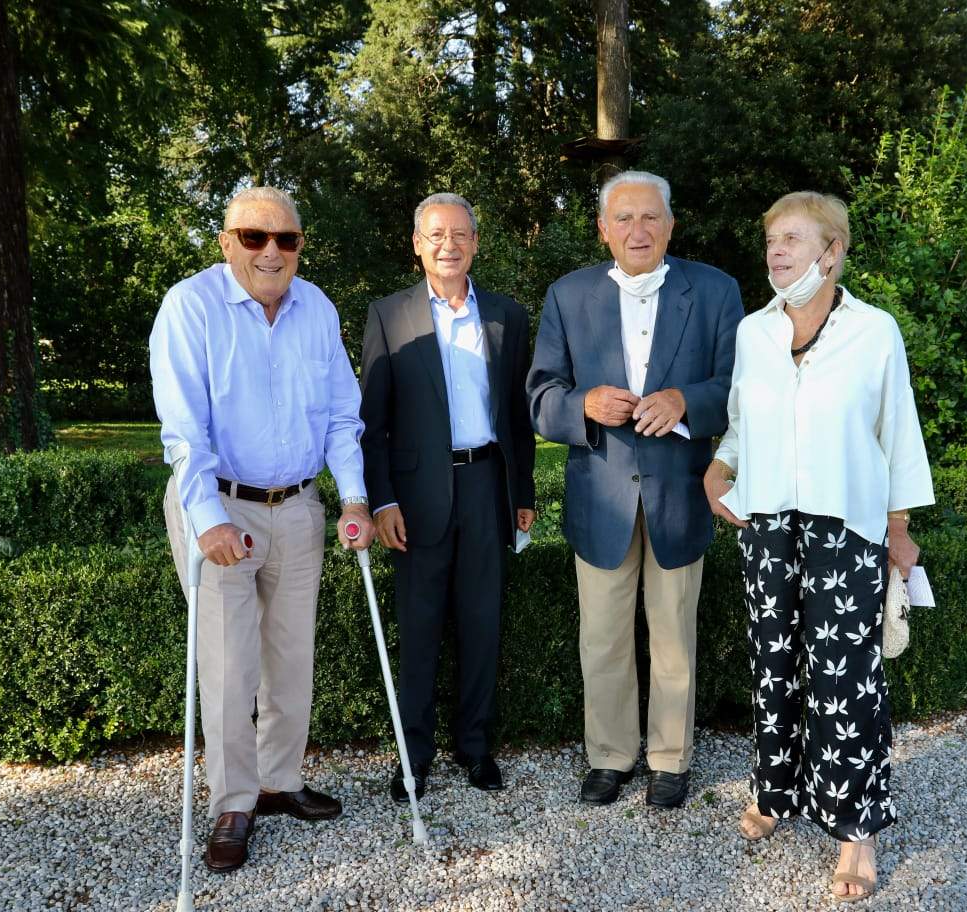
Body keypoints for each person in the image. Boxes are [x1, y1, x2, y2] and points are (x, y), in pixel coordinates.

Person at [703, 192, 933, 901]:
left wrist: (899, 529)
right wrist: (719, 468)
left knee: (845, 681)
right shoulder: (754, 332)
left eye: (794, 238)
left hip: (846, 526)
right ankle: (775, 791)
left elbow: (898, 431)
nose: (777, 250)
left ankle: (855, 829)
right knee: (772, 667)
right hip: (768, 522)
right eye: (772, 238)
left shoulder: (874, 331)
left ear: (831, 253)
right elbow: (742, 422)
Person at [150, 186, 377, 873]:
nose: (271, 251)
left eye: (286, 239)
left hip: (299, 506)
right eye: (254, 237)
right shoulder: (190, 306)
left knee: (291, 655)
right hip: (222, 507)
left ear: (300, 246)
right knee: (229, 663)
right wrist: (208, 520)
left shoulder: (318, 308)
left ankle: (280, 781)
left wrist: (355, 500)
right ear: (227, 243)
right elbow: (183, 431)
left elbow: (341, 416)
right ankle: (234, 802)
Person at [528, 171, 743, 809]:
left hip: (679, 492)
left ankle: (670, 759)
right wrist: (582, 404)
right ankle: (610, 755)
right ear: (603, 229)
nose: (638, 230)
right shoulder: (568, 295)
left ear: (671, 225)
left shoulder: (715, 290)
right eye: (623, 218)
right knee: (602, 637)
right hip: (600, 495)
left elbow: (739, 386)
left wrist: (686, 401)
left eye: (651, 217)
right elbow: (539, 397)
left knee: (674, 633)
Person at [360, 192, 537, 802]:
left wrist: (523, 492)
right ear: (417, 244)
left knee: (482, 623)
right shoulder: (388, 315)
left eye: (460, 234)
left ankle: (476, 746)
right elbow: (372, 423)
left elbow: (518, 416)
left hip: (487, 484)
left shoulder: (508, 317)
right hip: (416, 497)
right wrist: (382, 501)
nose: (448, 245)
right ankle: (413, 755)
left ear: (476, 242)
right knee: (420, 628)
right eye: (436, 235)